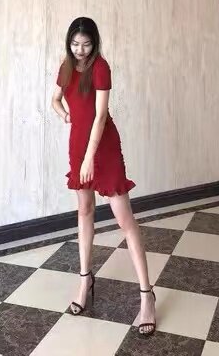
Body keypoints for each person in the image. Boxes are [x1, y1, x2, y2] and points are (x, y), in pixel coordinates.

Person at [51, 17, 156, 335]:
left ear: (94, 43)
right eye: (75, 44)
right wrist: (64, 114)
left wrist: (90, 158)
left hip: (103, 147)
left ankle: (147, 295)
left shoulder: (100, 68)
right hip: (77, 146)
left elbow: (99, 117)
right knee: (84, 211)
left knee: (125, 220)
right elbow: (55, 99)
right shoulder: (66, 66)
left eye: (86, 44)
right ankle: (85, 280)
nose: (80, 50)